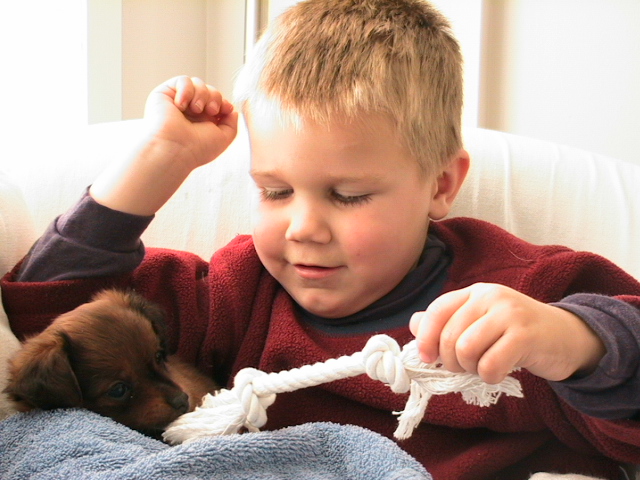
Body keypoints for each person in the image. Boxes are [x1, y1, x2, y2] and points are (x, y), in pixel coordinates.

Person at [3, 0, 640, 478]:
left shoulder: (525, 293)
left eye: (348, 195)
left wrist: (573, 343)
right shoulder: (238, 291)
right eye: (274, 192)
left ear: (441, 184)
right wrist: (158, 158)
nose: (303, 227)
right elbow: (51, 307)